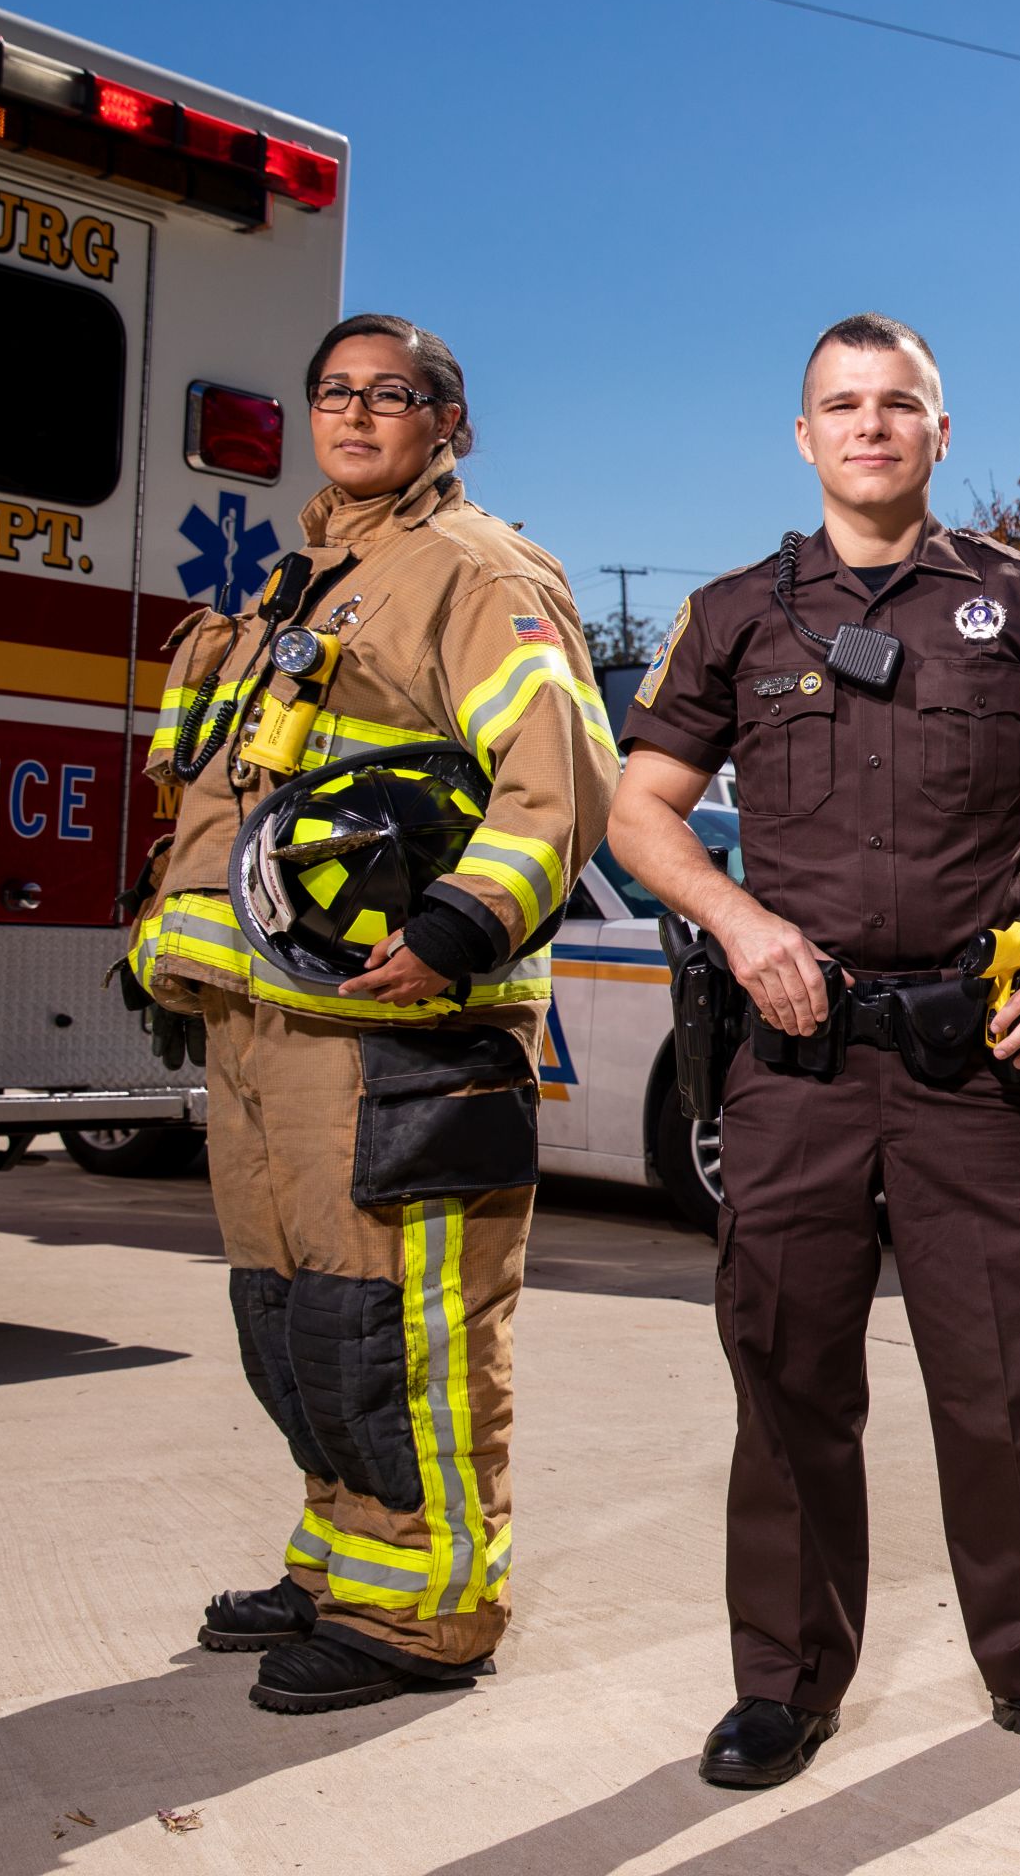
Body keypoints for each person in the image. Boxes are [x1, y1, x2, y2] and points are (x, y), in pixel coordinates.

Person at [608, 313, 1020, 1790]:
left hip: (972, 1061)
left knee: (1000, 1381)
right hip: (792, 1058)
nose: (872, 426)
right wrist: (740, 925)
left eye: (900, 404)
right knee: (788, 1375)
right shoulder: (736, 613)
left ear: (939, 431)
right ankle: (784, 1687)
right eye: (843, 406)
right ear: (804, 437)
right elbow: (640, 809)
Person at [126, 315, 615, 1713]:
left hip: (396, 1034)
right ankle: (347, 1562)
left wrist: (461, 923)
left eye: (390, 395)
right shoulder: (300, 586)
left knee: (407, 1329)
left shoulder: (475, 571)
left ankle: (430, 1615)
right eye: (335, 392)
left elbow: (559, 768)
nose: (355, 414)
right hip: (261, 1027)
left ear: (448, 426)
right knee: (293, 1318)